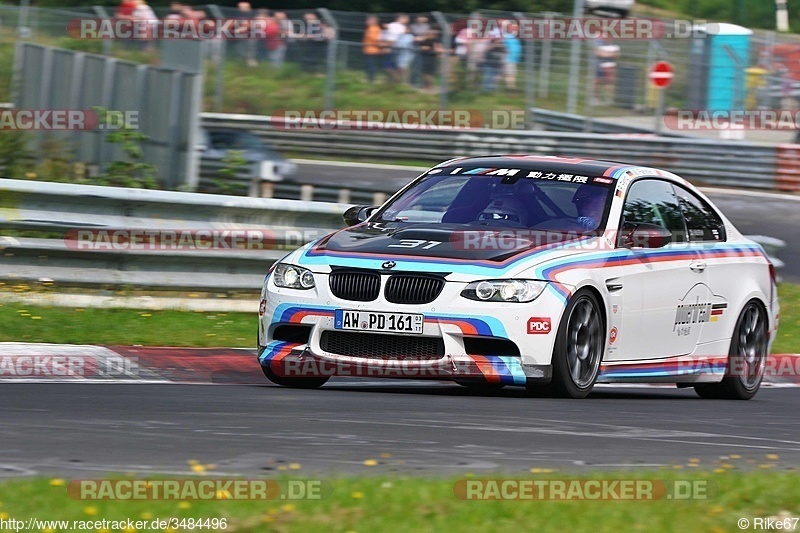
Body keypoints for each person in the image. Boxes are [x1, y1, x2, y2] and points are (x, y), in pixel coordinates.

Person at [362, 16, 382, 83]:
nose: (367, 22)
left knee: (371, 64)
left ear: (374, 21)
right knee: (368, 64)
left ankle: (371, 79)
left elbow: (375, 39)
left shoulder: (375, 29)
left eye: (369, 20)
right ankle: (368, 78)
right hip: (367, 49)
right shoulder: (369, 28)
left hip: (373, 49)